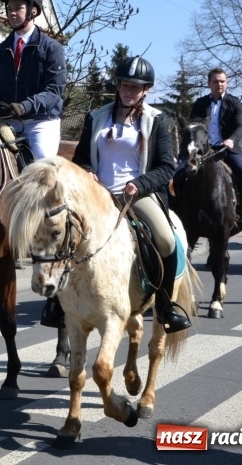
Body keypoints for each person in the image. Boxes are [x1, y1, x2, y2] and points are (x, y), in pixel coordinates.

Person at [73, 56, 191, 334]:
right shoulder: (96, 117)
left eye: (135, 87)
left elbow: (166, 166)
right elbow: (80, 158)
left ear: (146, 90)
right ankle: (58, 303)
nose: (129, 91)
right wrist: (88, 171)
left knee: (166, 240)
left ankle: (166, 307)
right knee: (63, 232)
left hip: (137, 194)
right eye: (125, 85)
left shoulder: (156, 120)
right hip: (98, 195)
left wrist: (140, 183)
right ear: (118, 85)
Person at [0, 0, 67, 160]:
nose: (12, 12)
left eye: (18, 7)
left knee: (42, 166)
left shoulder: (52, 48)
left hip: (40, 123)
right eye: (9, 8)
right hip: (8, 122)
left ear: (33, 10)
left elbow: (54, 92)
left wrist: (25, 106)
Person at [189, 68, 242, 225]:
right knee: (181, 172)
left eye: (222, 81)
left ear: (226, 84)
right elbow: (193, 125)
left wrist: (231, 140)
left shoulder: (234, 103)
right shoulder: (200, 104)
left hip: (227, 149)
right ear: (209, 84)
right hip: (203, 151)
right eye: (215, 81)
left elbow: (240, 126)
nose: (219, 84)